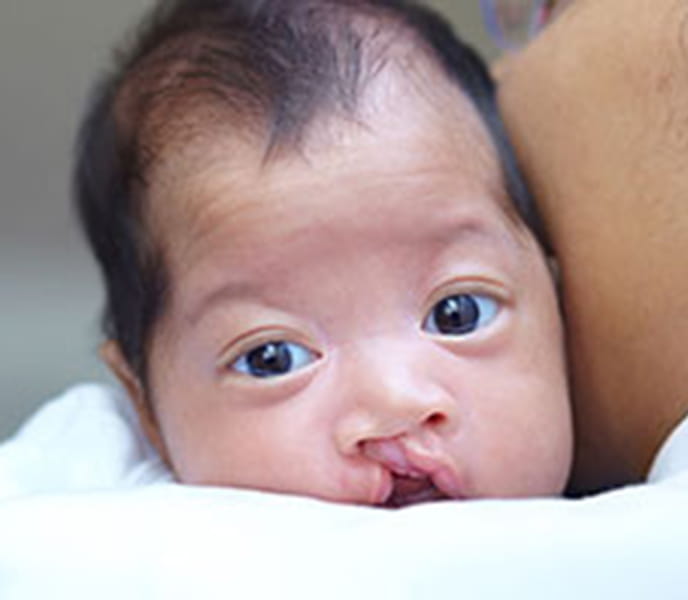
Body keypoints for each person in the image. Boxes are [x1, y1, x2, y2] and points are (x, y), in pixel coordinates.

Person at [4, 0, 572, 507]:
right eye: (271, 357)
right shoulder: (85, 497)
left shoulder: (647, 525)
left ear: (559, 299)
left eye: (458, 314)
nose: (394, 403)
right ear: (147, 412)